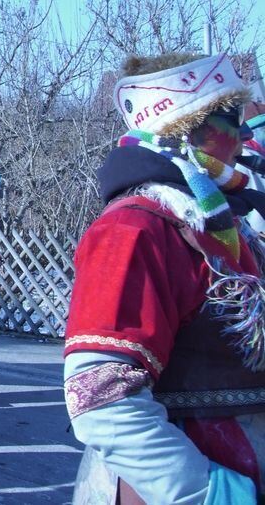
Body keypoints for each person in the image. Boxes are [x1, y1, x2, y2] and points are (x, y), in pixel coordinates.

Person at [64, 52, 265, 503]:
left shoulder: (223, 221)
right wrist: (207, 490)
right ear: (187, 130)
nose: (246, 133)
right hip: (178, 484)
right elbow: (101, 398)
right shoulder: (134, 229)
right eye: (232, 116)